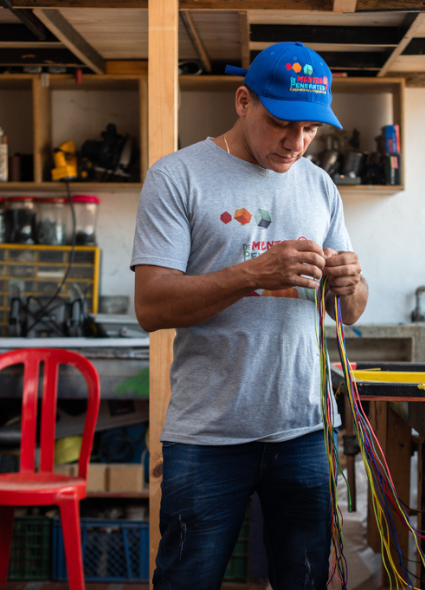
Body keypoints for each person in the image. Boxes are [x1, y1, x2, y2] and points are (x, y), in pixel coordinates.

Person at [131, 41, 368, 590]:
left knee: (304, 580)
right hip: (208, 434)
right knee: (186, 580)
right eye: (281, 124)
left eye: (310, 129)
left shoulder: (319, 184)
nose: (296, 143)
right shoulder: (177, 176)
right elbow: (151, 306)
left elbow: (351, 312)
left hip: (305, 429)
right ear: (243, 101)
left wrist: (349, 284)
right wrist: (253, 274)